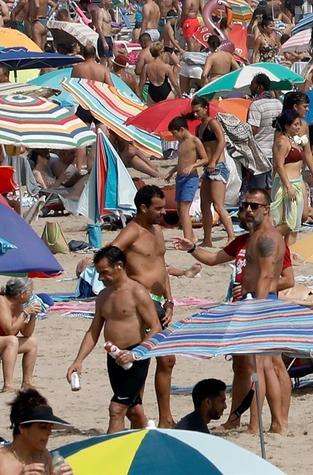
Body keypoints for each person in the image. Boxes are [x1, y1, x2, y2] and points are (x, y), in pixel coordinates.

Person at [177, 188, 293, 434]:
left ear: (266, 209)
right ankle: (272, 423)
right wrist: (192, 248)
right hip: (253, 302)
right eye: (244, 206)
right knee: (259, 367)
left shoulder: (268, 238)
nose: (248, 210)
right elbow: (214, 259)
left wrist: (256, 307)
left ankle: (266, 424)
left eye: (254, 206)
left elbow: (266, 277)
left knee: (264, 367)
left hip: (260, 303)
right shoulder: (252, 238)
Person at [66, 246, 161, 433]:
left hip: (136, 357)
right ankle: (151, 438)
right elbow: (93, 331)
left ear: (119, 266)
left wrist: (136, 353)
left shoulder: (137, 292)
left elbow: (156, 327)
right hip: (113, 357)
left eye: (104, 272)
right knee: (133, 410)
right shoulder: (103, 296)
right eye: (99, 273)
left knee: (116, 409)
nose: (101, 278)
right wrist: (78, 361)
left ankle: (109, 447)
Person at [110, 185, 177, 428]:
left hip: (159, 302)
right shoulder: (132, 231)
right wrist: (127, 288)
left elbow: (161, 266)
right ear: (143, 208)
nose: (163, 212)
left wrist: (170, 300)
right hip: (141, 301)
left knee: (166, 360)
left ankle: (164, 418)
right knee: (143, 359)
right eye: (158, 208)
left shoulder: (157, 230)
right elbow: (109, 256)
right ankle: (136, 414)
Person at [0, 389, 73, 475]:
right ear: (22, 428)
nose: (49, 433)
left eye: (50, 428)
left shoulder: (44, 456)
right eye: (43, 427)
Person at [271, 110, 313, 246]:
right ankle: (279, 249)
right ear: (287, 126)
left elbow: (307, 155)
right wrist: (288, 187)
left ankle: (288, 252)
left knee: (295, 224)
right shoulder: (282, 141)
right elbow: (279, 165)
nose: (298, 127)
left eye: (299, 124)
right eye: (295, 125)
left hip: (297, 181)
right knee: (287, 223)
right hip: (287, 183)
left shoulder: (294, 140)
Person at [191, 96, 233, 246]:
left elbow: (222, 141)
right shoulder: (199, 127)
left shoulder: (212, 122)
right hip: (208, 168)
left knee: (218, 205)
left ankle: (231, 236)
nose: (195, 114)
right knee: (204, 205)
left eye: (198, 111)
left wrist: (214, 160)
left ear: (205, 108)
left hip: (218, 166)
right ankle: (207, 239)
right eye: (194, 111)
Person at [167, 116, 207, 244]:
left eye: (175, 133)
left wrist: (193, 166)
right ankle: (192, 236)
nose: (174, 136)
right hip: (180, 178)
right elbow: (182, 161)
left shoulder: (194, 141)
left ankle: (187, 238)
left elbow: (205, 159)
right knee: (180, 209)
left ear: (182, 129)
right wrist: (172, 172)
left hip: (190, 178)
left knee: (184, 209)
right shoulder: (181, 142)